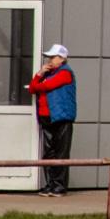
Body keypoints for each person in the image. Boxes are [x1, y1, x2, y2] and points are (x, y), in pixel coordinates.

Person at [29, 43, 78, 195]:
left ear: (62, 58)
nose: (49, 60)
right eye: (49, 57)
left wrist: (40, 81)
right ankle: (51, 184)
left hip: (61, 118)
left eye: (53, 57)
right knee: (49, 154)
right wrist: (39, 74)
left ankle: (59, 186)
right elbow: (32, 88)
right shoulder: (48, 74)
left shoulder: (65, 73)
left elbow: (44, 87)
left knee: (61, 153)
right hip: (47, 118)